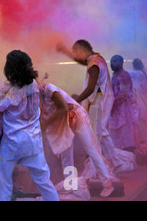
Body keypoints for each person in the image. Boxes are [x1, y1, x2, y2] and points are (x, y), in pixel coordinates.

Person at [0, 50, 59, 201]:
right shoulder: (34, 85)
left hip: (12, 145)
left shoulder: (6, 91)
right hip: (33, 143)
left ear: (9, 70)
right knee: (44, 182)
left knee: (4, 185)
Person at [39, 82, 114, 197]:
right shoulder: (36, 102)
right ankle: (71, 186)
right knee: (66, 157)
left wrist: (46, 125)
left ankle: (107, 183)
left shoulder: (48, 88)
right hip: (63, 124)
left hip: (77, 116)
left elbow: (63, 108)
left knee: (92, 150)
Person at [56, 40, 122, 169]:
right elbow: (82, 61)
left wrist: (77, 100)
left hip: (100, 100)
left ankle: (103, 165)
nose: (77, 56)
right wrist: (66, 52)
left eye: (77, 53)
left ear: (83, 50)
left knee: (99, 133)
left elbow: (90, 88)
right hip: (101, 98)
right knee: (101, 131)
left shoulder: (94, 65)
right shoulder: (97, 58)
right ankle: (115, 162)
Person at [109, 55, 138, 152]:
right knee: (116, 132)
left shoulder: (123, 75)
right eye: (111, 61)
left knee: (126, 132)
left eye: (115, 61)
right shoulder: (115, 75)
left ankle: (129, 158)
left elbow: (124, 94)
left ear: (122, 63)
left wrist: (113, 105)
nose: (112, 63)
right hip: (116, 107)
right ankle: (121, 158)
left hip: (124, 107)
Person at [128, 58, 147, 153]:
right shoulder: (144, 73)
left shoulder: (137, 73)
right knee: (143, 118)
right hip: (143, 98)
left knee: (139, 118)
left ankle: (142, 139)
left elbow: (126, 73)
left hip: (139, 98)